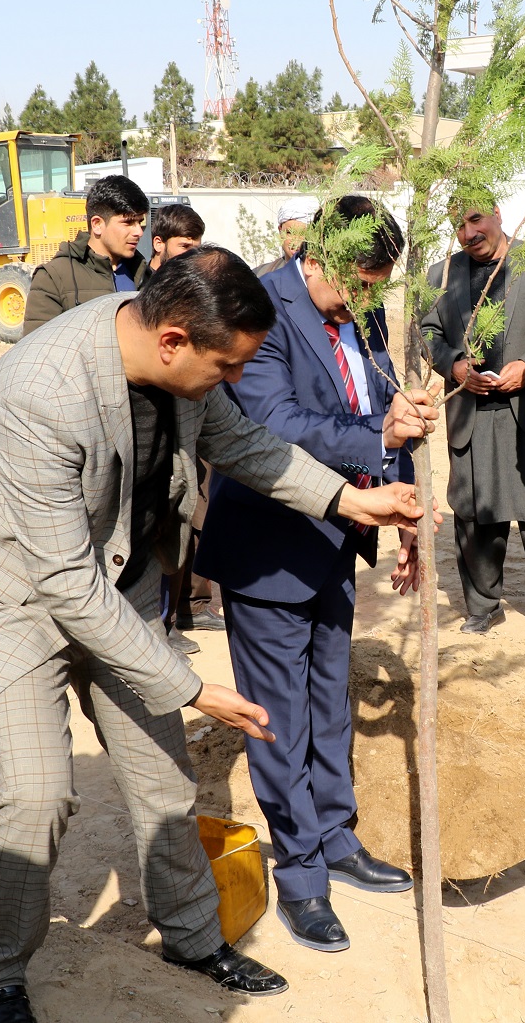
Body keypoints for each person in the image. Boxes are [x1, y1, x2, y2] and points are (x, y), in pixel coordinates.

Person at [0, 246, 428, 1021]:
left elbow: (247, 446)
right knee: (38, 791)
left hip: (113, 574)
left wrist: (355, 504)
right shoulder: (42, 391)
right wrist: (191, 685)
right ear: (174, 341)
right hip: (9, 598)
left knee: (163, 778)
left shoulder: (186, 361)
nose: (231, 383)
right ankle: (2, 975)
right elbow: (63, 585)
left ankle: (192, 936)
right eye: (225, 368)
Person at [197, 196, 437, 951]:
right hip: (268, 546)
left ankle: (338, 836)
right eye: (361, 282)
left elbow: (382, 402)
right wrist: (377, 433)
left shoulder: (359, 314)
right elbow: (277, 428)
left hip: (336, 537)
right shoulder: (262, 308)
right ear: (324, 257)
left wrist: (398, 503)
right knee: (278, 716)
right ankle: (300, 873)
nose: (369, 299)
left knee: (329, 698)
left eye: (377, 287)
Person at [423, 197, 525, 641]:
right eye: (458, 225)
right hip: (472, 412)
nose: (468, 232)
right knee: (475, 515)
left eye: (476, 219)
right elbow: (428, 331)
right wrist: (455, 365)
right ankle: (482, 605)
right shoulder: (441, 275)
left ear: (497, 213)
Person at [145, 202, 221, 642]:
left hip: (194, 423)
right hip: (157, 429)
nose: (192, 253)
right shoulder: (146, 293)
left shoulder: (192, 290)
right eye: (185, 245)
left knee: (192, 517)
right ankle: (160, 628)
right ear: (161, 244)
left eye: (198, 245)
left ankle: (180, 614)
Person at [22, 174, 151, 335]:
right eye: (128, 223)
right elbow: (36, 349)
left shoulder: (144, 274)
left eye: (140, 222)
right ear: (97, 224)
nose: (138, 232)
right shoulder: (54, 278)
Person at [255, 197, 318, 277]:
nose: (295, 242)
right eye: (289, 233)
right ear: (280, 231)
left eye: (303, 234)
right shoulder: (261, 274)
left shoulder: (327, 277)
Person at [149, 202, 204, 270]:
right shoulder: (136, 279)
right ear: (158, 244)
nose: (192, 255)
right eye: (185, 246)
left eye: (196, 249)